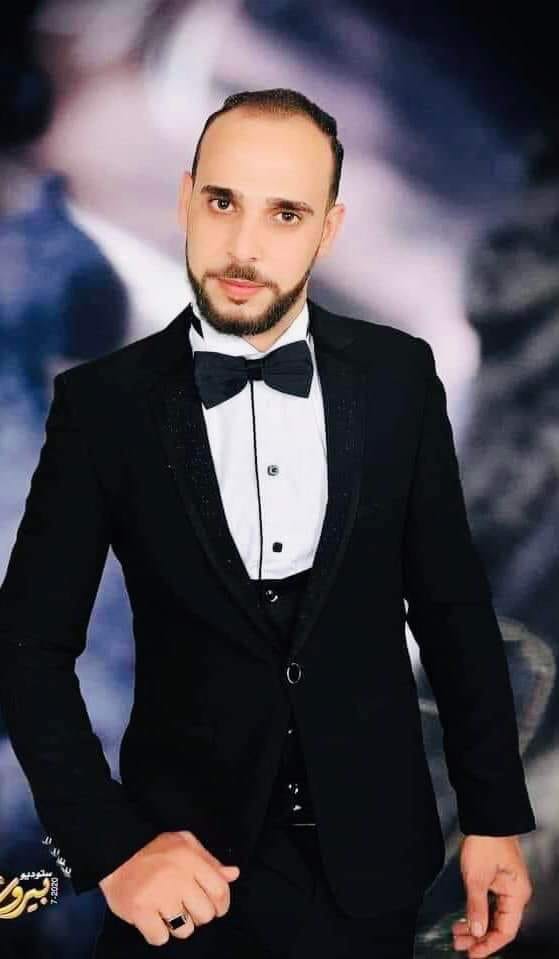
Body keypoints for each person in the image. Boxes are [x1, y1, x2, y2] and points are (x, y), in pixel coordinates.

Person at [0, 88, 536, 958]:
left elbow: (451, 607)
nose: (245, 246)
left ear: (327, 228)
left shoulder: (400, 377)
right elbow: (28, 644)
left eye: (285, 214)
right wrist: (112, 849)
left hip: (372, 877)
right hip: (175, 885)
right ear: (187, 200)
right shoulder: (101, 403)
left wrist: (492, 817)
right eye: (222, 203)